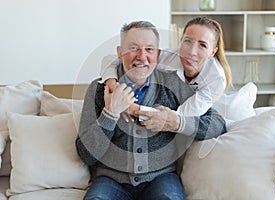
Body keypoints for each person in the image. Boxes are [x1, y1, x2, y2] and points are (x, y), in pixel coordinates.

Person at [76, 20, 226, 200]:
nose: (142, 56)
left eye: (149, 49)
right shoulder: (99, 89)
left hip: (161, 179)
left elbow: (218, 124)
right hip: (110, 180)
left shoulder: (175, 85)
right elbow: (86, 155)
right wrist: (111, 113)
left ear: (158, 55)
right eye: (133, 48)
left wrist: (177, 122)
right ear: (119, 52)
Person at [100, 16, 232, 116]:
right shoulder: (168, 57)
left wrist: (133, 108)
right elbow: (112, 58)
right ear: (180, 41)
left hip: (208, 111)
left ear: (212, 52)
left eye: (202, 45)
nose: (191, 52)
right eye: (188, 41)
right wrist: (111, 82)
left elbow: (180, 117)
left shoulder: (216, 79)